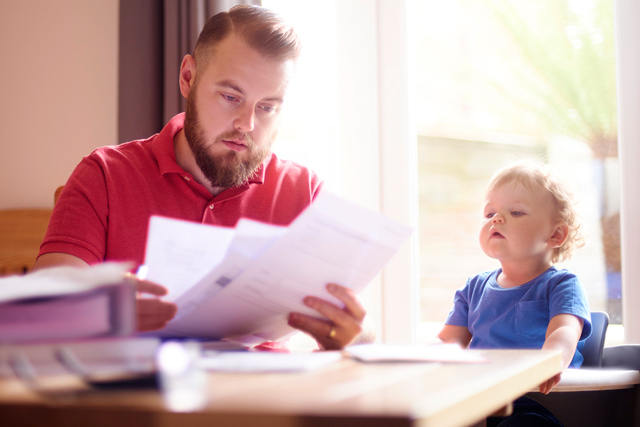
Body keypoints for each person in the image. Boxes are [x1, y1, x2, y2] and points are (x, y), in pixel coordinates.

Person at [32, 5, 367, 351]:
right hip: (139, 396)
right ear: (188, 77)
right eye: (231, 97)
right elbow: (44, 309)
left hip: (266, 399)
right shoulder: (104, 174)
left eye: (267, 107)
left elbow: (357, 328)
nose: (246, 124)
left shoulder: (304, 193)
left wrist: (349, 336)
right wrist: (100, 308)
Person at [437, 161, 592, 426]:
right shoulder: (473, 288)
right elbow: (447, 345)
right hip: (477, 400)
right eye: (489, 214)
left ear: (555, 234)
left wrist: (549, 361)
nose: (496, 219)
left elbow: (564, 333)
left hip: (534, 401)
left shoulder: (561, 285)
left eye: (517, 212)